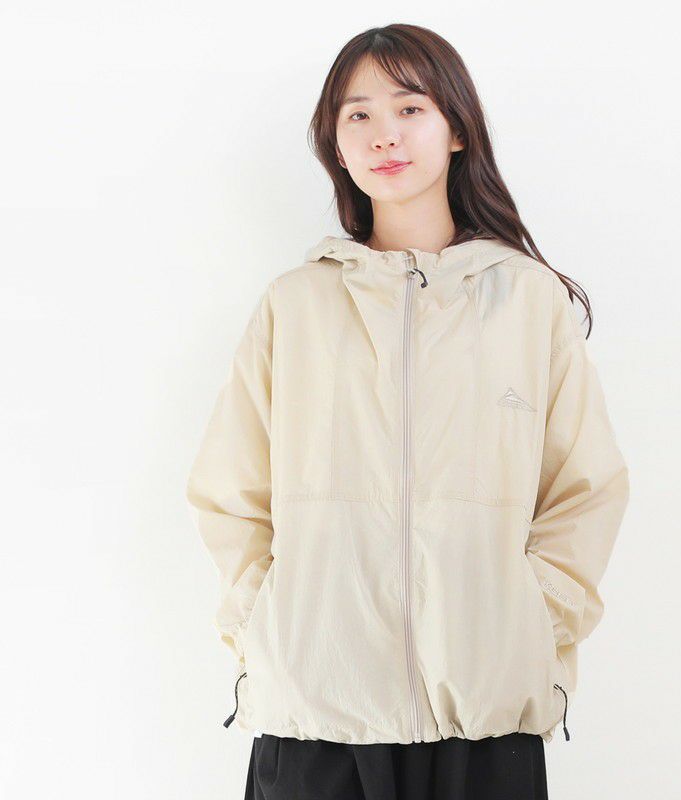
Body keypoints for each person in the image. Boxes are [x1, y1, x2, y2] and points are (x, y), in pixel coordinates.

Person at [186, 22, 630, 800]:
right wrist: (270, 630)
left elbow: (582, 490)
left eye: (409, 108)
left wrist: (530, 631)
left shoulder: (528, 304)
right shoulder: (295, 306)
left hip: (482, 722)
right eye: (357, 114)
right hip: (316, 717)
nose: (383, 135)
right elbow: (231, 493)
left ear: (456, 127)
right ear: (335, 143)